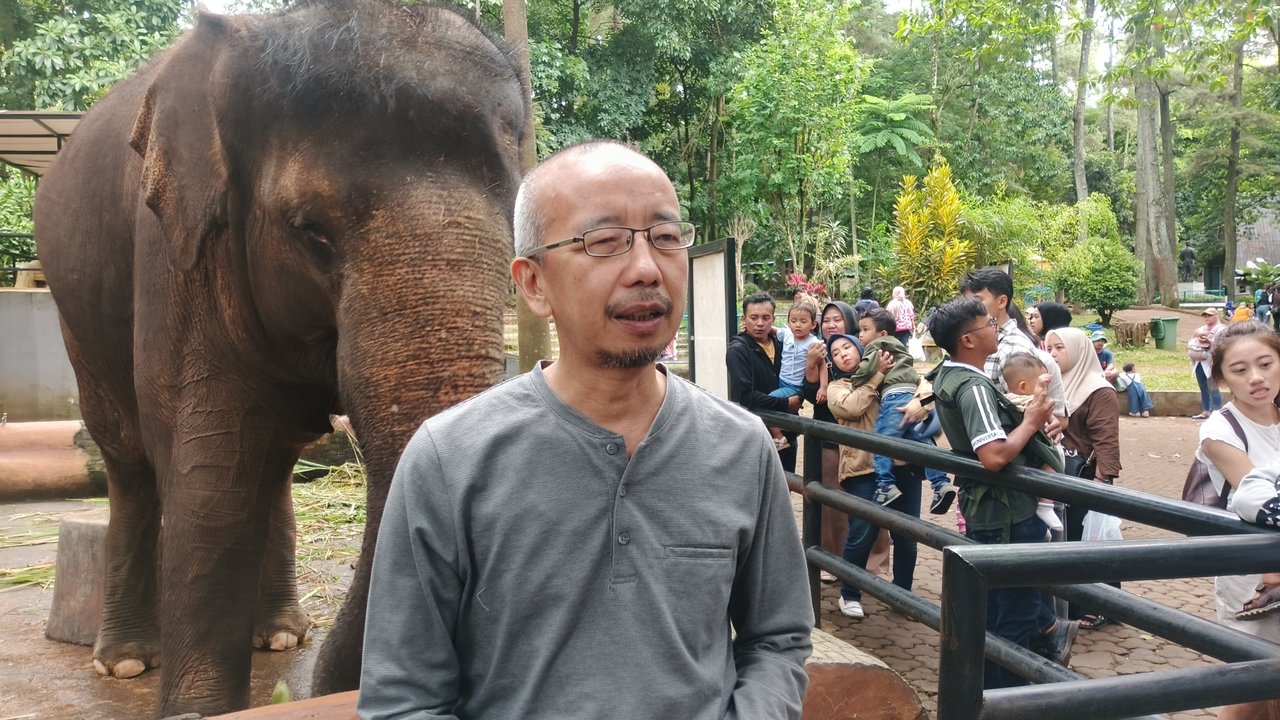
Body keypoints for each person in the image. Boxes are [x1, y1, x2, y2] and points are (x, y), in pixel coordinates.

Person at [358, 140, 813, 720]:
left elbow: (777, 640)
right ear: (534, 284)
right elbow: (404, 698)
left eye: (666, 238)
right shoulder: (450, 461)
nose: (647, 268)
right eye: (605, 243)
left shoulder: (742, 448)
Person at [924, 297, 1076, 687]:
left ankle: (982, 695)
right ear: (968, 340)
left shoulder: (945, 375)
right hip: (1008, 513)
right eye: (988, 323)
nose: (996, 327)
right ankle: (1003, 698)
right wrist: (1032, 422)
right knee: (1015, 616)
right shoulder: (973, 386)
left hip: (985, 509)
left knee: (992, 613)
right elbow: (993, 456)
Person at [1193, 321, 1280, 720]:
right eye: (1240, 370)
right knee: (1250, 688)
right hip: (1256, 578)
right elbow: (1255, 497)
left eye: (1266, 363)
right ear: (1221, 377)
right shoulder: (1220, 431)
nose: (1257, 378)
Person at [825, 332, 922, 620]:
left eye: (847, 347)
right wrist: (876, 375)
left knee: (908, 534)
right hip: (862, 468)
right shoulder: (837, 387)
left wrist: (921, 403)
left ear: (861, 350)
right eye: (836, 353)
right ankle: (850, 593)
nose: (843, 354)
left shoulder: (895, 375)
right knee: (863, 531)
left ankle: (902, 594)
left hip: (903, 465)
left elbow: (924, 392)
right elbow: (851, 407)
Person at [1044, 327, 1123, 631]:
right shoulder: (1054, 384)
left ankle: (1103, 606)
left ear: (1078, 350)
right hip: (1062, 478)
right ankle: (1075, 604)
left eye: (1059, 348)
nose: (1051, 354)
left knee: (1094, 544)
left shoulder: (1098, 390)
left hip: (1088, 480)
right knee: (1072, 543)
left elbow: (1107, 442)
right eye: (1048, 347)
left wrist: (1102, 488)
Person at [855, 308, 959, 513]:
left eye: (865, 329)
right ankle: (940, 483)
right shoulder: (900, 348)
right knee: (920, 441)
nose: (860, 335)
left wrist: (857, 380)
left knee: (882, 441)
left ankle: (885, 484)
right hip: (910, 395)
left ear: (882, 334)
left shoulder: (877, 347)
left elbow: (866, 368)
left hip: (894, 397)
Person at [960, 268, 1067, 417]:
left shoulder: (1014, 349)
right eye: (966, 301)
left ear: (1002, 301)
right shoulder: (979, 339)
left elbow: (1023, 415)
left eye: (977, 301)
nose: (968, 307)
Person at [728, 292, 802, 467]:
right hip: (755, 433)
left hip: (788, 430)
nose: (760, 323)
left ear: (773, 319)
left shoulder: (783, 344)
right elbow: (746, 396)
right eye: (754, 317)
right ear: (744, 319)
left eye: (765, 317)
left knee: (786, 487)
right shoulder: (738, 350)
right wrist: (785, 403)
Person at [1000, 354, 1067, 532]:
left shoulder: (1005, 399)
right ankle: (1045, 504)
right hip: (1035, 452)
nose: (1046, 391)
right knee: (1053, 463)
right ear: (1023, 387)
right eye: (1042, 386)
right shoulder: (1027, 401)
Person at [763, 301, 823, 450]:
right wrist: (751, 328)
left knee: (768, 401)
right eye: (793, 321)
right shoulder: (787, 334)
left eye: (803, 321)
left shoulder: (813, 343)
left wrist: (824, 387)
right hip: (782, 381)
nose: (798, 325)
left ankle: (779, 437)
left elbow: (823, 365)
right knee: (782, 408)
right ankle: (790, 428)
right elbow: (773, 330)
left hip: (795, 387)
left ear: (813, 324)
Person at [1189, 308, 1226, 420]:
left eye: (1209, 315)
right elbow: (1193, 342)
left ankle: (1218, 411)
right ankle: (1206, 411)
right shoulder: (1201, 329)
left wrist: (1209, 340)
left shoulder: (1221, 329)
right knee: (1203, 387)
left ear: (1216, 316)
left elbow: (1223, 345)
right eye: (1205, 316)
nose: (1207, 318)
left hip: (1212, 362)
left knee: (1213, 386)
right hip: (1199, 362)